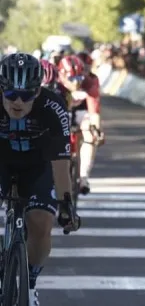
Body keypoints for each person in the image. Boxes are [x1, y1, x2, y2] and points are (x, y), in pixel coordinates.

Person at [0, 53, 80, 306]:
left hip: (38, 166)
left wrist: (67, 206)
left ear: (38, 92)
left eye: (27, 95)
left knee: (42, 223)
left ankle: (31, 283)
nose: (18, 102)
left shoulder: (53, 106)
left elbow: (60, 162)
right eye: (11, 94)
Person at [57, 55, 102, 195]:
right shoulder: (54, 82)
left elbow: (94, 111)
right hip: (61, 111)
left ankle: (83, 176)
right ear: (61, 75)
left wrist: (97, 130)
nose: (76, 84)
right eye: (71, 79)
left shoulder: (90, 82)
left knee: (90, 132)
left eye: (79, 79)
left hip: (82, 112)